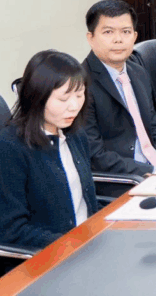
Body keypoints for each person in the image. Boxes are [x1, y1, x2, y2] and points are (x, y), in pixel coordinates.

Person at [0, 50, 99, 250]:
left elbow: (85, 202)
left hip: (88, 241)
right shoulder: (10, 147)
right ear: (36, 97)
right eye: (63, 99)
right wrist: (70, 244)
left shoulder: (75, 134)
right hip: (52, 255)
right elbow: (11, 230)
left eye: (79, 95)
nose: (74, 106)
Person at [82, 0, 156, 177]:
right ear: (91, 38)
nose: (118, 40)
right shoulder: (82, 84)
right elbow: (95, 154)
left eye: (126, 32)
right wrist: (151, 171)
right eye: (108, 32)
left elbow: (154, 128)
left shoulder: (138, 72)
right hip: (125, 178)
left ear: (135, 36)